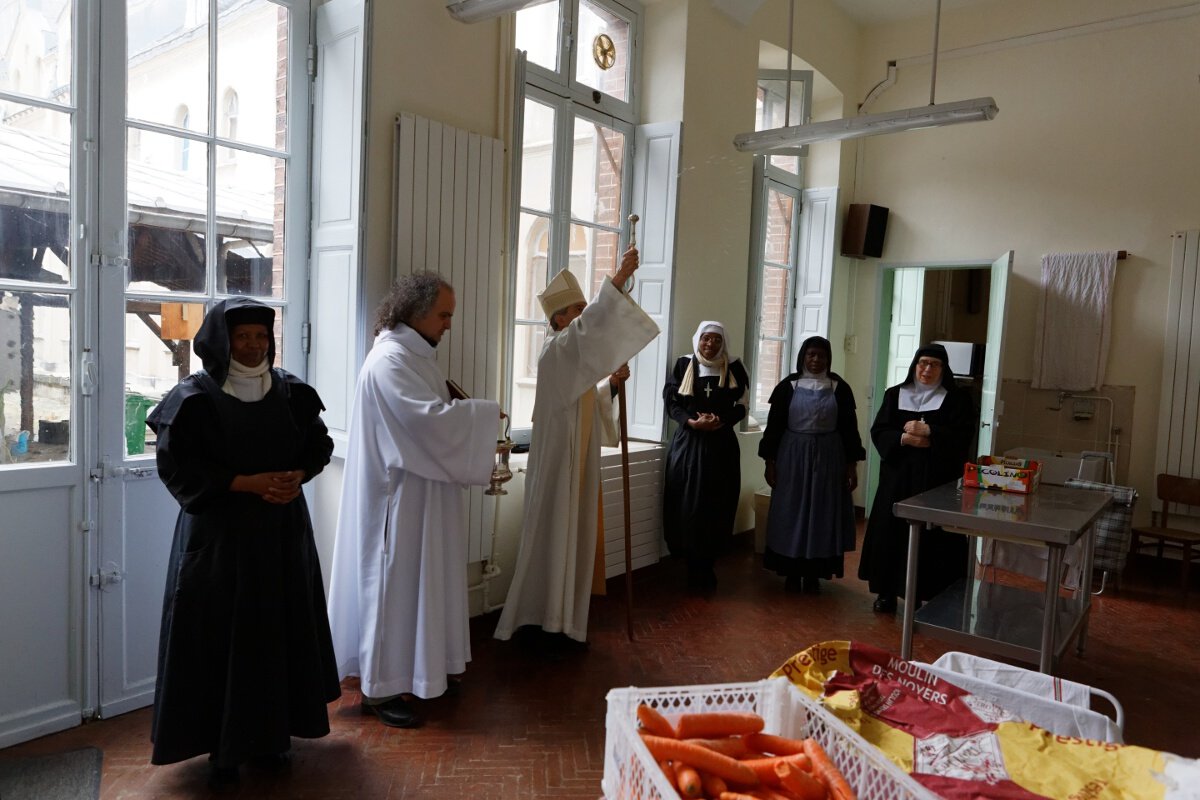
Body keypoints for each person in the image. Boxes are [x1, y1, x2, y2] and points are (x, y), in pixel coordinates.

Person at [146, 297, 339, 788]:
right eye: (242, 337)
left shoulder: (292, 393)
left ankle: (274, 736)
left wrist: (297, 475)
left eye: (260, 336)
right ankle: (222, 748)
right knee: (219, 640)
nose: (253, 346)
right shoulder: (194, 398)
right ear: (220, 341)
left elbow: (319, 444)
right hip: (220, 541)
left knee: (277, 633)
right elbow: (178, 467)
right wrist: (245, 484)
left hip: (279, 536)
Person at [327, 272, 502, 729]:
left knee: (425, 584)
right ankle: (379, 689)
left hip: (425, 493)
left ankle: (427, 673)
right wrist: (482, 414)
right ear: (416, 311)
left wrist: (468, 413)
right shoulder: (390, 361)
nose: (448, 323)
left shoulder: (415, 357)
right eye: (443, 314)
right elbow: (427, 422)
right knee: (391, 590)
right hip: (397, 500)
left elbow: (434, 414)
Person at [494, 247, 659, 645]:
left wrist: (612, 386)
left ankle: (565, 620)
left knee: (574, 536)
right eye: (578, 309)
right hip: (555, 467)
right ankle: (543, 620)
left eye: (587, 307)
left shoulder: (571, 357)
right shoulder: (556, 350)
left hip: (577, 463)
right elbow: (588, 337)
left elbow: (588, 398)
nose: (585, 316)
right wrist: (617, 282)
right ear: (558, 319)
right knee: (553, 536)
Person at [857, 342, 975, 613]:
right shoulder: (894, 394)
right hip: (897, 479)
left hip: (935, 480)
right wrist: (903, 438)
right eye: (923, 363)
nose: (927, 369)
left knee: (933, 538)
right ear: (914, 365)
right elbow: (879, 430)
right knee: (891, 534)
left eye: (935, 365)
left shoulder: (957, 400)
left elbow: (963, 436)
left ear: (944, 370)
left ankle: (930, 593)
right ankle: (886, 592)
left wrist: (931, 432)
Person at [758, 335, 865, 594]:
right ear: (803, 357)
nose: (816, 360)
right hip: (793, 456)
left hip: (830, 458)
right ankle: (791, 572)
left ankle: (816, 572)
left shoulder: (840, 388)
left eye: (821, 356)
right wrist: (769, 462)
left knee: (822, 514)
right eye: (811, 355)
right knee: (790, 513)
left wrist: (851, 466)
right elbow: (773, 429)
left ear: (829, 358)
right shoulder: (788, 387)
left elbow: (850, 430)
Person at [661, 320, 749, 591]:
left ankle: (708, 565)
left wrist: (720, 420)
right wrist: (691, 422)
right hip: (688, 444)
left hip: (720, 445)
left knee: (716, 503)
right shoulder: (683, 365)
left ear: (724, 343)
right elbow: (672, 402)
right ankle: (690, 565)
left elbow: (742, 405)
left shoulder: (733, 367)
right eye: (705, 339)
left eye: (716, 340)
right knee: (687, 504)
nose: (710, 344)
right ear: (697, 339)